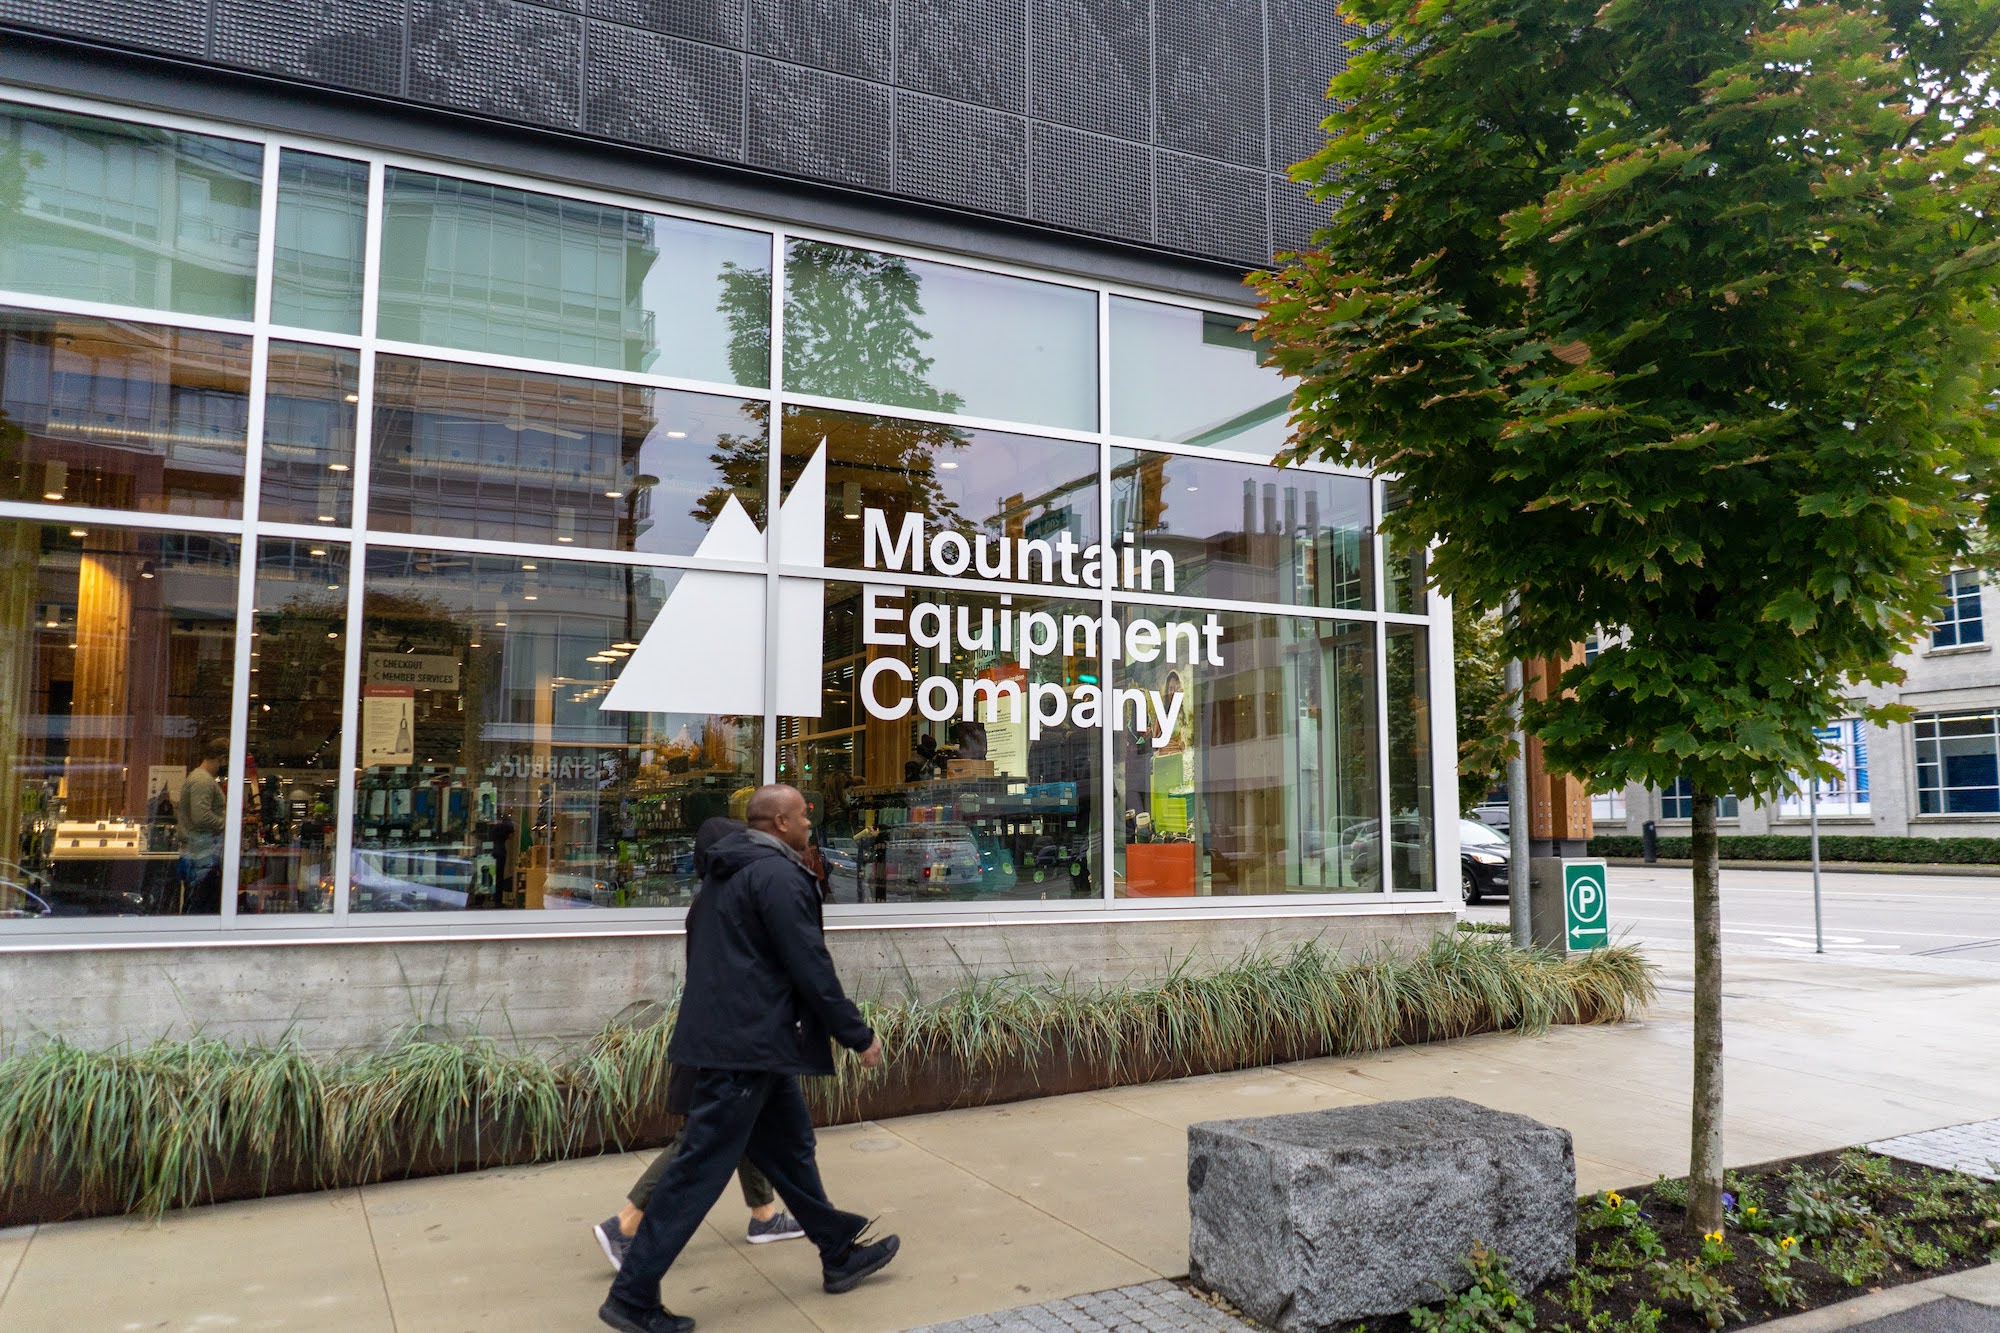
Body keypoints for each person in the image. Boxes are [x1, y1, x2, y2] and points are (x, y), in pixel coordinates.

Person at [599, 785, 899, 1333]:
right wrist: (856, 1034)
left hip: (750, 1044)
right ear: (780, 822)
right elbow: (809, 964)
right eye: (803, 816)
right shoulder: (778, 876)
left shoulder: (723, 877)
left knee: (792, 1150)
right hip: (744, 1047)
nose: (809, 824)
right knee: (699, 1169)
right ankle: (633, 1294)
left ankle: (837, 1252)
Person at [591, 817, 805, 1270]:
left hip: (728, 1034)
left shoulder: (714, 900)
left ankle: (764, 1215)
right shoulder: (727, 904)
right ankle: (624, 1224)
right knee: (699, 1138)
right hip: (727, 1038)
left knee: (752, 1123)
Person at [176, 738, 228, 915]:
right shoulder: (202, 781)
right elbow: (200, 817)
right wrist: (226, 824)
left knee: (197, 905)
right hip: (202, 855)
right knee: (200, 908)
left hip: (199, 854)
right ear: (221, 758)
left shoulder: (200, 779)